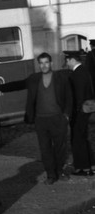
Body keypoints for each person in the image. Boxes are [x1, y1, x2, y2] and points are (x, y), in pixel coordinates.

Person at [24, 53, 72, 185]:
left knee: (60, 148)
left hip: (58, 119)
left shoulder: (60, 78)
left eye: (46, 62)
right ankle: (51, 174)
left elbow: (69, 96)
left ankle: (60, 171)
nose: (44, 65)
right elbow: (19, 84)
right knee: (45, 149)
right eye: (41, 63)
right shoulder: (34, 78)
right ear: (38, 64)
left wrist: (66, 115)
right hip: (41, 120)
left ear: (51, 63)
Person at [64, 51, 94, 176]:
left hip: (80, 111)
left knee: (77, 139)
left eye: (67, 60)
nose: (66, 63)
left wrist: (73, 112)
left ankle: (83, 167)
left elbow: (78, 95)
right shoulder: (83, 71)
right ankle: (90, 164)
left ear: (72, 60)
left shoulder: (78, 74)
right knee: (83, 138)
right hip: (84, 110)